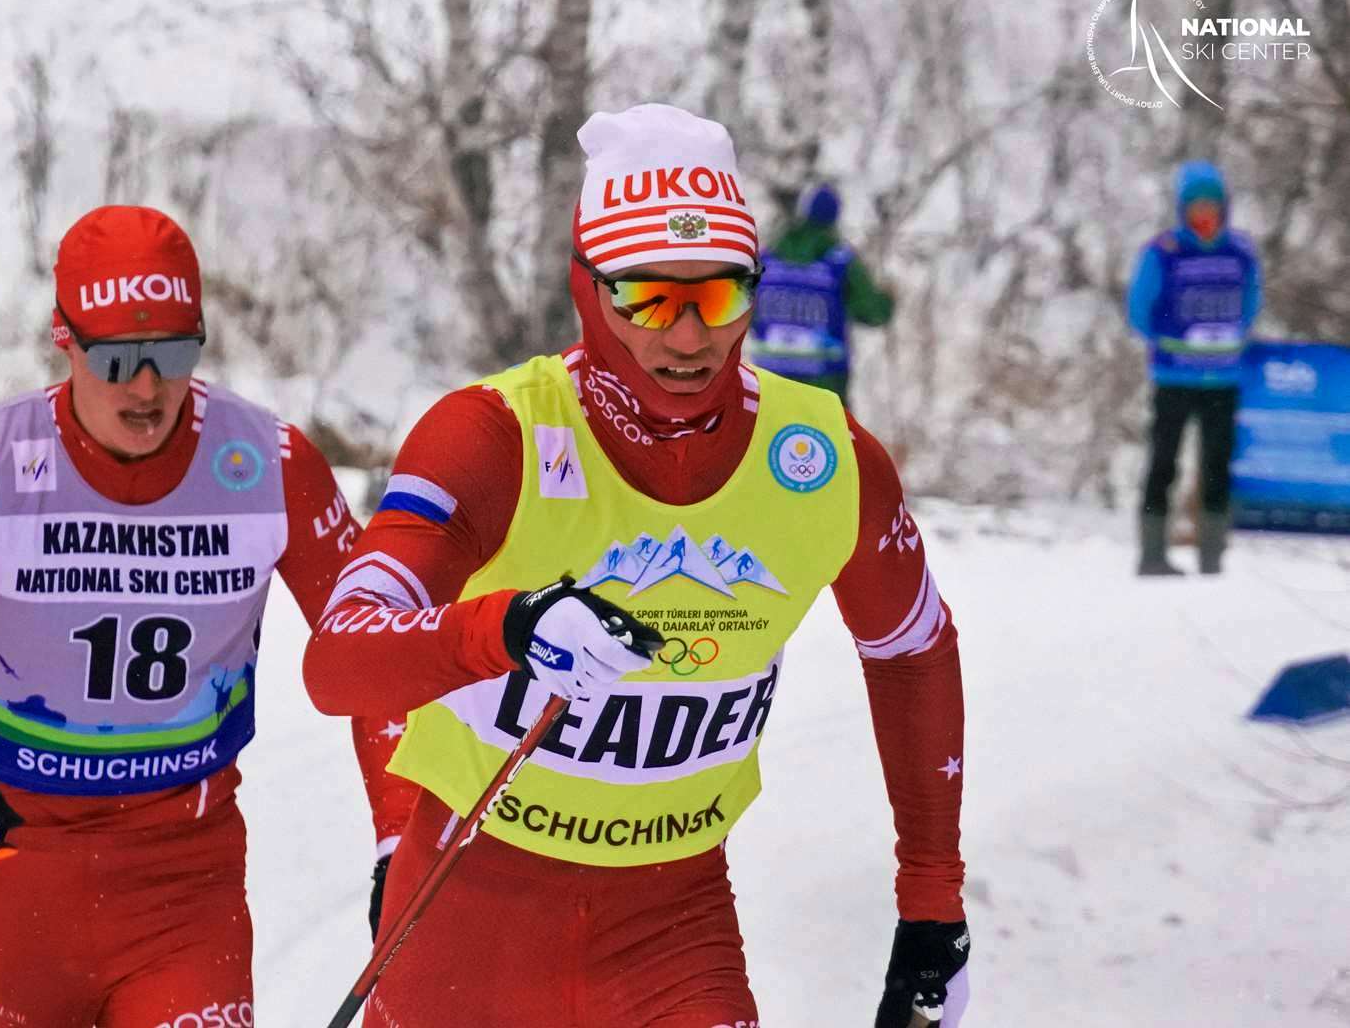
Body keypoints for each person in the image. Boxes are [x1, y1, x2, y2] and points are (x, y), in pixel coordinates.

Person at [304, 104, 969, 1027]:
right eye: (651, 298)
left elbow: (913, 651)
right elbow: (339, 659)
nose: (690, 337)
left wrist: (931, 900)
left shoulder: (823, 459)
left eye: (720, 296)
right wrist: (509, 627)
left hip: (675, 922)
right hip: (468, 917)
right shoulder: (494, 436)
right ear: (589, 290)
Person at [0, 205, 413, 1026]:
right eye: (119, 357)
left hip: (182, 890)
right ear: (65, 340)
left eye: (172, 353)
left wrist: (402, 839)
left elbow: (380, 660)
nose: (147, 387)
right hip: (13, 879)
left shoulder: (270, 466)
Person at [1127, 160, 1263, 576]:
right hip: (1173, 378)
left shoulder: (1240, 252)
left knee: (1217, 465)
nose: (1204, 215)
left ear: (1224, 208)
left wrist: (1232, 338)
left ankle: (1212, 557)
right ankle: (1153, 554)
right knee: (1163, 463)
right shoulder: (1163, 252)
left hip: (1223, 379)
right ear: (1182, 209)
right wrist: (1168, 342)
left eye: (1212, 205)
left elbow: (1252, 302)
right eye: (1195, 206)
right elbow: (1138, 309)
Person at [747, 182, 894, 404]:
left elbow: (741, 308)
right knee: (825, 439)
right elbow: (873, 312)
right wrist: (889, 300)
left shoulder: (767, 258)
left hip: (767, 382)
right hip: (824, 385)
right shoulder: (840, 262)